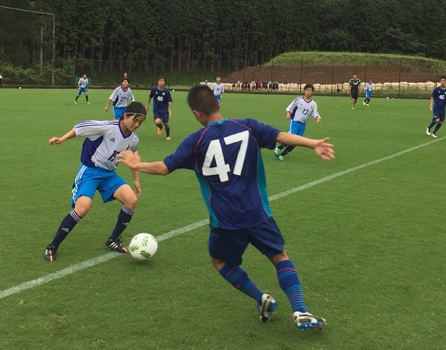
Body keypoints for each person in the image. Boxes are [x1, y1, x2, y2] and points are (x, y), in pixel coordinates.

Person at [117, 85, 333, 330]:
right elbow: (281, 137)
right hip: (257, 213)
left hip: (225, 221)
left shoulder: (195, 141)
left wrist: (139, 164)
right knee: (279, 256)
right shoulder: (248, 126)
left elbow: (165, 167)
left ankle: (261, 298)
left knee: (219, 260)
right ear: (218, 104)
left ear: (197, 114)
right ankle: (300, 310)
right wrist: (313, 142)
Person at [44, 102, 147, 261]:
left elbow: (131, 158)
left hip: (110, 175)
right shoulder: (108, 127)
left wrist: (136, 181)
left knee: (131, 201)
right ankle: (53, 246)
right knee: (83, 208)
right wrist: (62, 138)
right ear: (126, 115)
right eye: (135, 119)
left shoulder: (133, 139)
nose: (137, 124)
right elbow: (82, 127)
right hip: (90, 172)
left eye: (140, 122)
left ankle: (113, 239)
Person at [274, 84, 321, 161]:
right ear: (304, 91)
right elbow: (290, 108)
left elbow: (314, 113)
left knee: (297, 142)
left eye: (310, 90)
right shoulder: (298, 100)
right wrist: (288, 114)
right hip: (295, 122)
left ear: (312, 92)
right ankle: (279, 148)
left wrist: (317, 118)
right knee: (291, 138)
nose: (308, 92)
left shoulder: (313, 104)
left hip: (303, 125)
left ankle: (282, 155)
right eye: (307, 90)